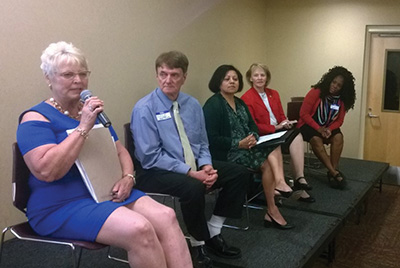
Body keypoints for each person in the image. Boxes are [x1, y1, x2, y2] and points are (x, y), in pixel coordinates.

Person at [16, 41, 192, 268]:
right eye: (68, 74)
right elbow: (47, 171)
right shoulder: (35, 118)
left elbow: (120, 152)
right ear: (49, 79)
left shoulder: (90, 110)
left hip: (104, 192)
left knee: (166, 216)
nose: (78, 80)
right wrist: (83, 126)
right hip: (59, 203)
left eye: (82, 74)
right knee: (139, 228)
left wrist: (128, 177)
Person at [131, 51, 249, 268]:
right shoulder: (144, 109)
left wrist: (207, 166)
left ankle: (214, 231)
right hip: (154, 171)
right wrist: (191, 172)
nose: (168, 80)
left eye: (174, 75)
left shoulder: (192, 105)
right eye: (162, 74)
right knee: (193, 187)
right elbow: (150, 156)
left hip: (193, 165)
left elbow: (202, 143)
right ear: (157, 75)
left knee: (239, 173)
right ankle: (198, 243)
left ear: (184, 77)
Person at [203, 64, 295, 231]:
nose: (232, 82)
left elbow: (253, 126)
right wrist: (239, 143)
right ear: (218, 82)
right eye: (227, 79)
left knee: (274, 146)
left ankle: (277, 192)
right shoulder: (213, 105)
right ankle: (273, 207)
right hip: (227, 153)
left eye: (235, 79)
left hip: (247, 147)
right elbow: (211, 138)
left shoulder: (239, 102)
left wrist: (253, 138)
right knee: (267, 163)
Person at [241, 63, 314, 202]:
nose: (259, 78)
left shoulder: (273, 93)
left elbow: (280, 115)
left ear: (267, 77)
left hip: (279, 131)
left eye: (262, 75)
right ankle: (282, 186)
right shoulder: (247, 98)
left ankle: (299, 179)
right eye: (256, 75)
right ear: (250, 78)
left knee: (297, 135)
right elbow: (254, 126)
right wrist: (276, 128)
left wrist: (285, 122)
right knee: (277, 144)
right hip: (264, 135)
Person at [297, 66, 356, 189]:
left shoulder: (342, 100)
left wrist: (329, 129)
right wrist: (319, 128)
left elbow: (340, 120)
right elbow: (303, 114)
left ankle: (332, 171)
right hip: (309, 125)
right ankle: (334, 173)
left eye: (339, 85)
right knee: (316, 140)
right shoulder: (316, 92)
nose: (335, 86)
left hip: (328, 126)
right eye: (334, 82)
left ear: (343, 88)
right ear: (329, 79)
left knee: (338, 137)